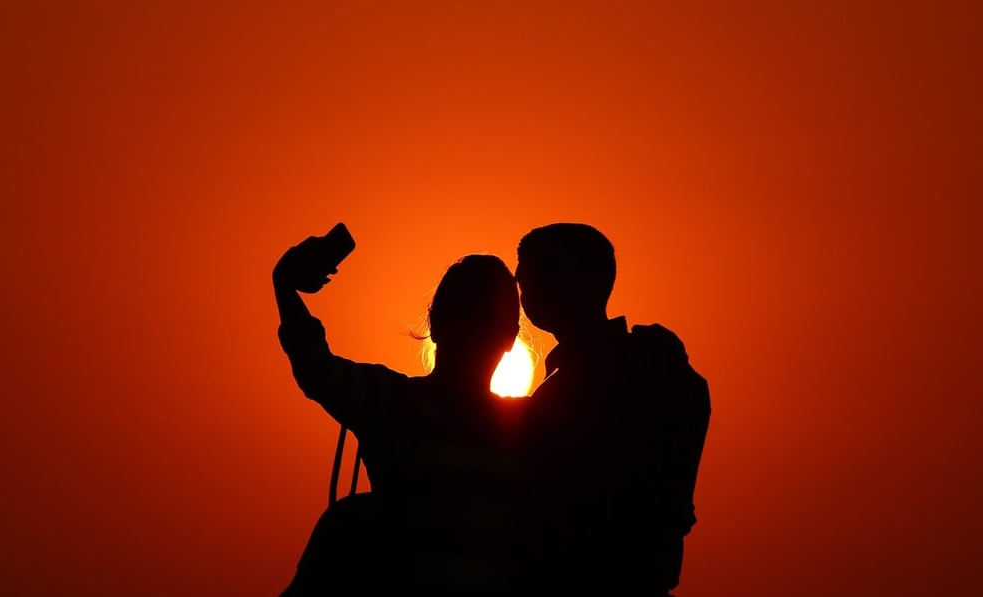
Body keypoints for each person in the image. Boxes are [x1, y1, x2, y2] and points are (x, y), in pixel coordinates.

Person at [273, 234, 525, 596]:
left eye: (484, 319)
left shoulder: (389, 399)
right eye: (469, 315)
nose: (474, 331)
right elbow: (316, 366)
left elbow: (315, 366)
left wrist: (284, 284)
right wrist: (283, 286)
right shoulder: (527, 427)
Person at [513, 222, 711, 596]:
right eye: (524, 279)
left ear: (592, 279)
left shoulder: (647, 372)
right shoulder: (656, 367)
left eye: (547, 271)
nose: (529, 291)